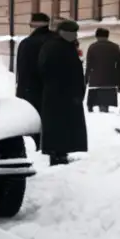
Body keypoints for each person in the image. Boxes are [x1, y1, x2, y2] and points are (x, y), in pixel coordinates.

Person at [36, 18, 88, 166]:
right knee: (58, 125)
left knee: (64, 125)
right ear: (64, 33)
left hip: (65, 93)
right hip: (58, 92)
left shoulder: (65, 45)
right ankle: (57, 155)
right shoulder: (53, 46)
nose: (75, 36)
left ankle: (61, 153)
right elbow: (45, 69)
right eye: (72, 33)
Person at [15, 12, 53, 111]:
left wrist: (20, 95)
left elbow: (22, 72)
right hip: (54, 93)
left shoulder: (27, 43)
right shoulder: (58, 41)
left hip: (32, 92)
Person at [84, 27, 120, 113]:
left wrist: (86, 79)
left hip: (95, 80)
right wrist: (119, 83)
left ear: (96, 36)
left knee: (92, 109)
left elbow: (89, 65)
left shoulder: (92, 47)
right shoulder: (115, 47)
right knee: (105, 107)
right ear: (107, 36)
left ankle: (91, 108)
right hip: (110, 80)